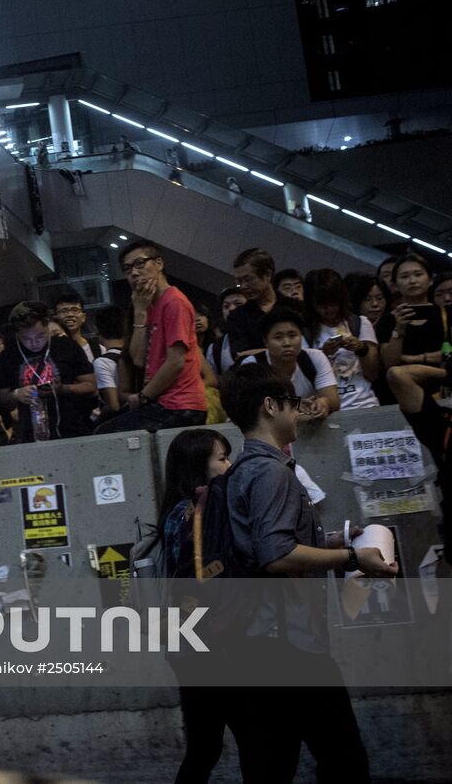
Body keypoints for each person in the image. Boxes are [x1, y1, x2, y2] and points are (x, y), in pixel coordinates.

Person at [217, 363, 396, 784]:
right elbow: (276, 555)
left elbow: (264, 543)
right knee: (345, 763)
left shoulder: (244, 470)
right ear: (270, 406)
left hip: (261, 644)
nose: (297, 413)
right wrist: (353, 558)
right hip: (287, 646)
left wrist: (333, 540)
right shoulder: (270, 472)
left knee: (272, 767)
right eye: (292, 405)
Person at [157, 428, 234, 784]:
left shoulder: (183, 510)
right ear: (197, 465)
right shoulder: (189, 513)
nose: (228, 464)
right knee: (210, 744)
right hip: (202, 643)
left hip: (189, 642)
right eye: (221, 458)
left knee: (205, 745)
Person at [95, 239, 207, 433]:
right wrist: (140, 311)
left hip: (180, 405)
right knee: (101, 428)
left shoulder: (174, 302)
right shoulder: (149, 305)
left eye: (140, 264)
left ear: (159, 264)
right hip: (163, 403)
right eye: (127, 269)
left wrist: (143, 397)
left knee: (105, 434)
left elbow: (176, 362)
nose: (134, 273)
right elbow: (138, 360)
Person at [0, 301, 96, 442]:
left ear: (48, 326)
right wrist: (16, 395)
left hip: (71, 430)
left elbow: (91, 386)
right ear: (17, 334)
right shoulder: (9, 355)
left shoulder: (66, 346)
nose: (34, 343)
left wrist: (62, 388)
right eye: (26, 339)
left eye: (40, 336)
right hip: (29, 433)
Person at [241, 307, 340, 420]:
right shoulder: (253, 365)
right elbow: (252, 407)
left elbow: (334, 399)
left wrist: (324, 402)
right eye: (278, 337)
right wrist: (294, 405)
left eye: (292, 335)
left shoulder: (314, 357)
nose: (287, 343)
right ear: (265, 341)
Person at [382, 253, 450, 414]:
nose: (412, 281)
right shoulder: (389, 320)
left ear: (430, 280)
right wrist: (399, 328)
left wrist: (414, 359)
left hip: (443, 391)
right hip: (401, 395)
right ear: (395, 285)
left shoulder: (446, 314)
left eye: (418, 274)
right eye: (404, 276)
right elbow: (390, 363)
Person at [305, 268, 381, 411]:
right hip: (328, 408)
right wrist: (323, 355)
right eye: (322, 304)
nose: (329, 309)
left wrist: (361, 348)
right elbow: (306, 381)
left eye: (333, 303)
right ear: (312, 303)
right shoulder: (306, 333)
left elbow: (372, 374)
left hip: (365, 403)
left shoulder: (359, 323)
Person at [221, 248, 303, 370]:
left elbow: (307, 349)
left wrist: (262, 352)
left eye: (248, 279)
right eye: (239, 282)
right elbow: (240, 355)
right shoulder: (237, 316)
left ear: (267, 275)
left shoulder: (295, 307)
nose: (243, 286)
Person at [91, 304, 130, 420]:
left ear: (97, 330)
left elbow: (113, 406)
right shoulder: (136, 355)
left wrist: (97, 415)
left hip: (121, 420)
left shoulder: (102, 362)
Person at [348, 273, 395, 343]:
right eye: (367, 299)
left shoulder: (395, 323)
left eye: (379, 298)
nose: (375, 304)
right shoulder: (349, 326)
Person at [52, 290, 98, 361]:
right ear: (55, 317)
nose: (70, 314)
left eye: (75, 310)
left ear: (83, 317)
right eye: (64, 311)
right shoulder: (50, 351)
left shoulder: (98, 349)